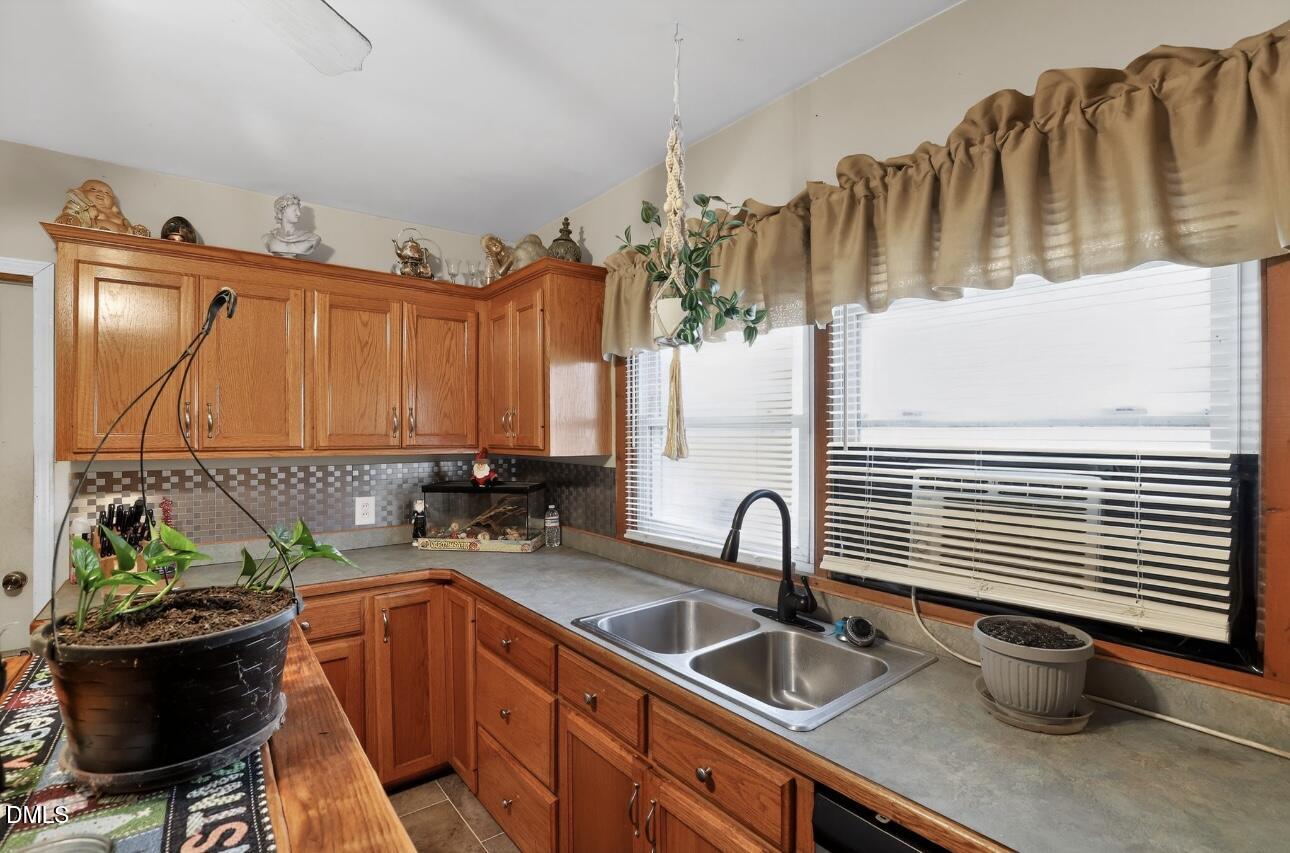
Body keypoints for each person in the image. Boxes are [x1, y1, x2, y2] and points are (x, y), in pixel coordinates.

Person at [54, 179, 150, 236]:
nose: (101, 193)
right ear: (81, 192)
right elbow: (68, 216)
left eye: (107, 193)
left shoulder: (118, 216)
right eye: (93, 189)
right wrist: (70, 220)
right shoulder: (81, 208)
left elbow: (130, 228)